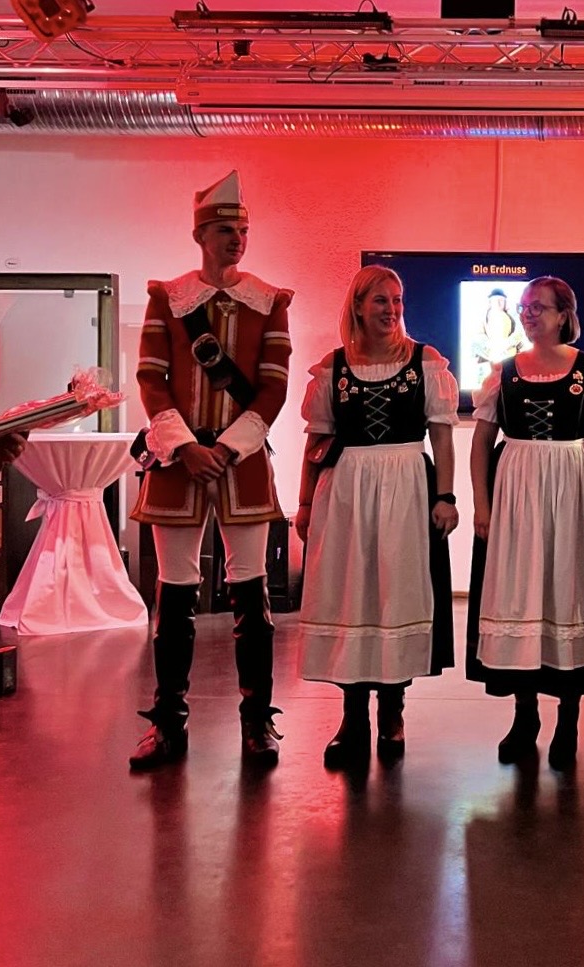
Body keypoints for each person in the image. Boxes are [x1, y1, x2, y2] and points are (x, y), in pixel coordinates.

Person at [128, 170, 292, 770]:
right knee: (173, 597)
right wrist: (182, 447)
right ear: (200, 235)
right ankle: (167, 722)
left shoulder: (270, 301)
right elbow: (151, 378)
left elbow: (273, 386)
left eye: (242, 231)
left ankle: (257, 722)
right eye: (225, 230)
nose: (236, 240)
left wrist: (225, 449)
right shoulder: (165, 298)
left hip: (239, 464)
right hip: (178, 466)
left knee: (252, 593)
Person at [296, 265, 459, 770]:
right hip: (346, 490)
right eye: (380, 300)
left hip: (406, 486)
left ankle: (392, 709)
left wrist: (446, 496)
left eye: (397, 300)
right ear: (359, 307)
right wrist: (305, 504)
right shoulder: (333, 368)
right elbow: (315, 442)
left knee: (396, 593)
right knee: (351, 594)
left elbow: (443, 437)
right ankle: (352, 717)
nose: (391, 309)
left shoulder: (424, 362)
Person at [467, 275, 584, 771]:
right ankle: (525, 715)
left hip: (573, 489)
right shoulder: (504, 372)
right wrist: (482, 505)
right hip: (516, 494)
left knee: (566, 590)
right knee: (521, 594)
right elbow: (480, 443)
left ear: (563, 314)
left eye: (539, 306)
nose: (529, 314)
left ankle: (568, 718)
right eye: (525, 307)